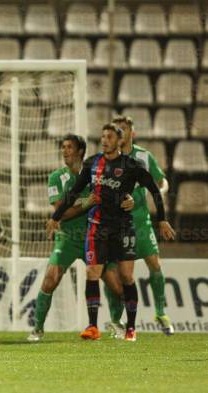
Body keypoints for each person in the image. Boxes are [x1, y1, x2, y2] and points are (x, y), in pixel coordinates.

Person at [47, 124, 176, 342]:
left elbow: (154, 191)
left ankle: (132, 328)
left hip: (123, 227)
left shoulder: (131, 165)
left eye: (109, 136)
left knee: (126, 276)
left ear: (119, 140)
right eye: (103, 136)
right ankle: (92, 326)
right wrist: (56, 216)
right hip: (97, 227)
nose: (104, 140)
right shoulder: (93, 163)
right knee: (92, 273)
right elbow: (74, 193)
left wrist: (162, 219)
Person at [27, 135, 134, 342]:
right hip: (68, 237)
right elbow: (61, 212)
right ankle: (37, 328)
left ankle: (117, 323)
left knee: (116, 285)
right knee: (50, 280)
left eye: (69, 147)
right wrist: (87, 202)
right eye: (63, 147)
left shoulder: (97, 176)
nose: (64, 151)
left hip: (96, 236)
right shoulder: (56, 178)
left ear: (80, 152)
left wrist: (127, 200)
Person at [106, 115, 174, 335]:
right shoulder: (108, 159)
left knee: (154, 264)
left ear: (131, 133)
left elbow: (162, 181)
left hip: (141, 223)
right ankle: (116, 320)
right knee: (115, 274)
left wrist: (159, 192)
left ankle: (161, 312)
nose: (121, 133)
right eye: (118, 129)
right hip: (116, 224)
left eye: (124, 129)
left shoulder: (144, 156)